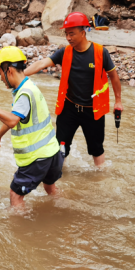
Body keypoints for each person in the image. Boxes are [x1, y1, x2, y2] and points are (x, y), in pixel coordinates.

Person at [24, 12, 123, 167]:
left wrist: (118, 101)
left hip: (93, 110)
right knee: (60, 146)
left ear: (83, 33)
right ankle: (58, 176)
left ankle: (101, 180)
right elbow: (42, 63)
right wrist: (20, 76)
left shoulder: (100, 52)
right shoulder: (65, 52)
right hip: (69, 108)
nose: (68, 38)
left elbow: (114, 77)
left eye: (72, 34)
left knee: (96, 148)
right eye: (66, 34)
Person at [0, 46, 63, 209]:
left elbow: (12, 120)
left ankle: (22, 232)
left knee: (15, 195)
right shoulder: (29, 87)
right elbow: (16, 118)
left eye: (0, 74)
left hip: (37, 158)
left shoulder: (24, 93)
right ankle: (63, 212)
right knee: (50, 188)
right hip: (52, 153)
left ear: (9, 70)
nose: (1, 79)